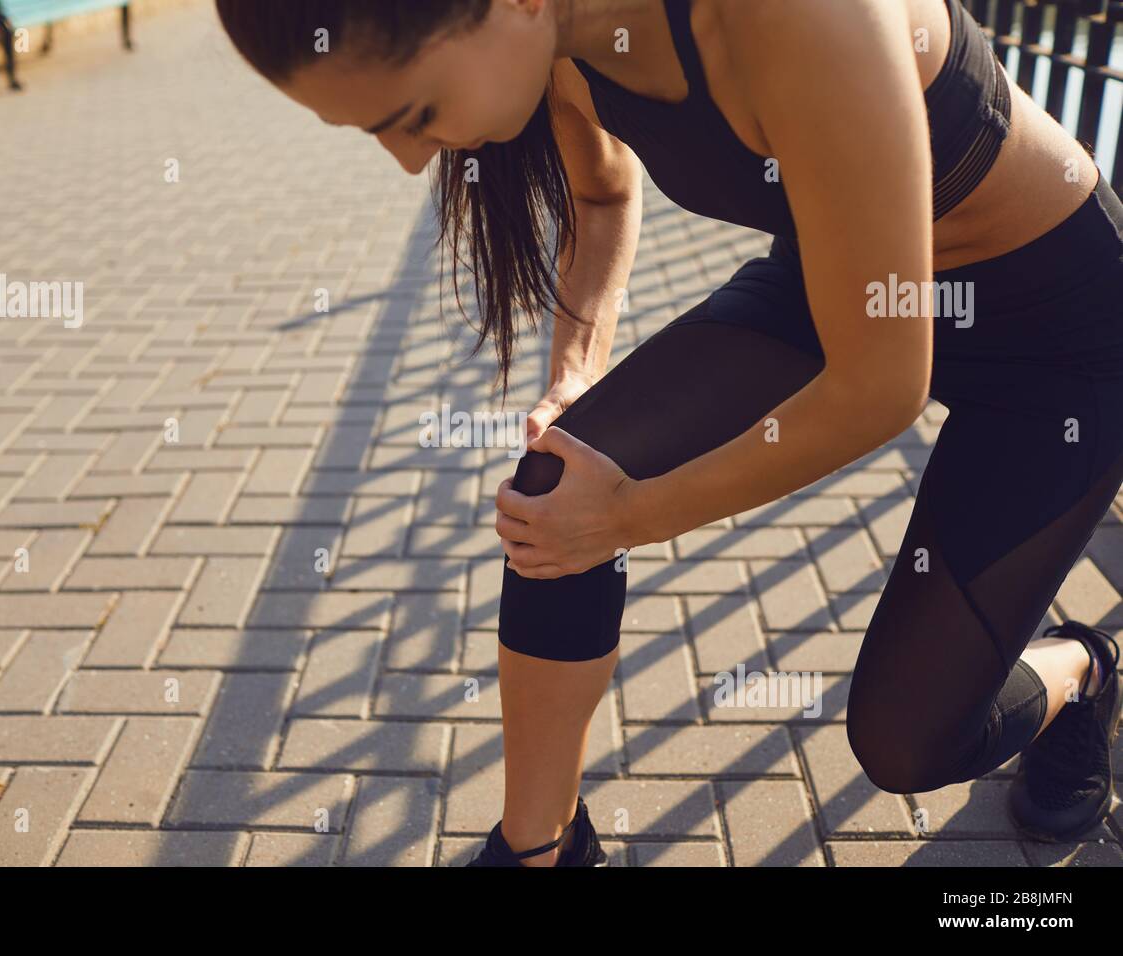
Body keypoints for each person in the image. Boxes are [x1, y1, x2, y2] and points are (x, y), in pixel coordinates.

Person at [214, 0, 1123, 866]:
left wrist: (629, 517)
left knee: (908, 744)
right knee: (556, 488)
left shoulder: (797, 21)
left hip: (1055, 339)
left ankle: (1083, 667)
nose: (412, 164)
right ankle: (541, 846)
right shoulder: (565, 39)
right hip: (837, 288)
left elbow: (880, 387)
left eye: (411, 116)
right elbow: (603, 200)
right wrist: (575, 373)